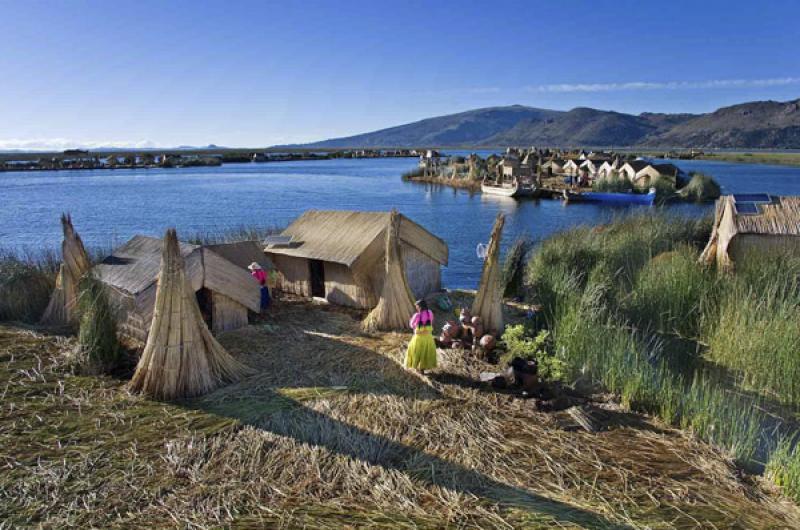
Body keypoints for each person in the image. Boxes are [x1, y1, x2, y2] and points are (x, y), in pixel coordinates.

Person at [405, 299, 437, 372]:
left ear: (420, 306)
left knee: (416, 352)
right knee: (425, 352)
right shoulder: (430, 313)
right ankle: (422, 368)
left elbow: (411, 325)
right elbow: (431, 321)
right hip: (428, 337)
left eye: (416, 306)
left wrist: (415, 324)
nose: (416, 308)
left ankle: (417, 368)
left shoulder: (417, 315)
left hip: (418, 338)